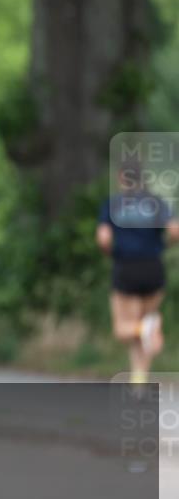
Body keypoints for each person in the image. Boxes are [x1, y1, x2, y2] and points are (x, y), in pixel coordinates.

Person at [97, 162, 179, 384]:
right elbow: (175, 230)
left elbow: (103, 238)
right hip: (153, 268)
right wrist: (164, 245)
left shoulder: (113, 204)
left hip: (127, 268)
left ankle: (145, 327)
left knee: (124, 328)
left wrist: (110, 252)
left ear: (122, 178)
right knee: (143, 334)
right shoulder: (157, 203)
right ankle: (139, 380)